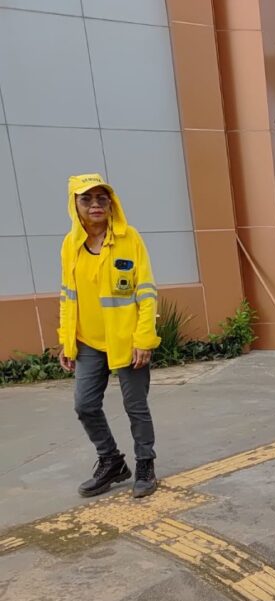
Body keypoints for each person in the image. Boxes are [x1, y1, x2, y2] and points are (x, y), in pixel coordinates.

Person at [57, 174, 160, 499]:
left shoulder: (130, 239)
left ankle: (145, 464)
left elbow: (146, 292)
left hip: (127, 340)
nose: (95, 205)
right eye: (86, 199)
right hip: (88, 342)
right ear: (74, 204)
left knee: (135, 406)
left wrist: (144, 339)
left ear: (111, 202)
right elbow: (67, 296)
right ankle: (111, 461)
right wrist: (67, 340)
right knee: (85, 405)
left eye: (102, 198)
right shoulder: (70, 245)